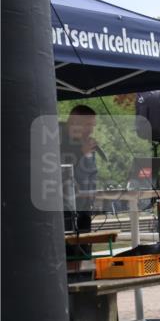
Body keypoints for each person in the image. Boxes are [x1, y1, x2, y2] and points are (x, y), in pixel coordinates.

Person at [61, 105, 100, 267]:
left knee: (84, 248)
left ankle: (84, 279)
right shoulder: (58, 137)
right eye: (88, 125)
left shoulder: (83, 143)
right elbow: (54, 167)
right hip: (63, 208)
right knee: (68, 251)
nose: (91, 130)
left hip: (83, 206)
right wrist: (80, 152)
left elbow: (91, 172)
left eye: (92, 125)